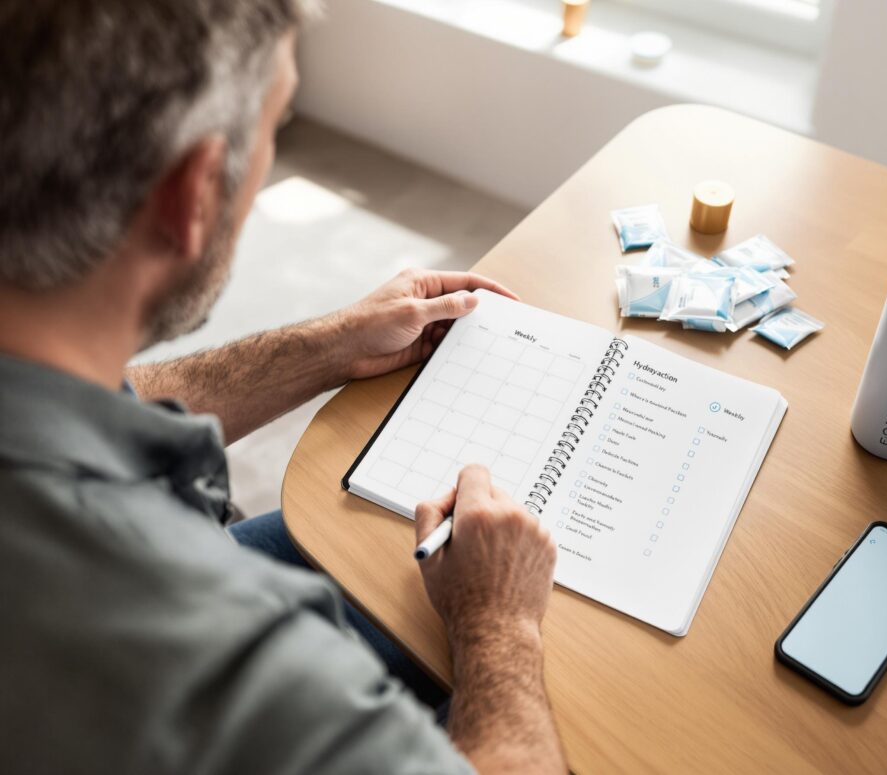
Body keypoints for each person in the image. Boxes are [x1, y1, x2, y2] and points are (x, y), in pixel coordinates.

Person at [0, 2, 566, 773]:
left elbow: (91, 394)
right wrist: (501, 624)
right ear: (193, 195)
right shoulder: (209, 645)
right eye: (278, 123)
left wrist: (329, 344)